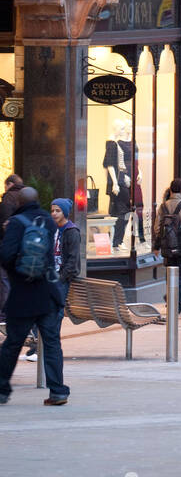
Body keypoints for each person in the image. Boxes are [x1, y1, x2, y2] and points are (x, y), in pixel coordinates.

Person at [0, 187, 70, 406]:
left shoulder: (16, 222)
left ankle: (2, 390)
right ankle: (58, 391)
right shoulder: (48, 221)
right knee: (52, 343)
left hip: (22, 295)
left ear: (19, 202)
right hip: (48, 293)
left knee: (12, 344)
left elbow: (6, 256)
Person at [154, 180, 181, 313]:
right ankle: (175, 305)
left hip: (167, 248)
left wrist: (157, 245)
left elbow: (157, 229)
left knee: (170, 275)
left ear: (171, 190)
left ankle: (173, 303)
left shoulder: (163, 206)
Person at [48, 198, 81, 308]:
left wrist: (61, 278)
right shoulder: (53, 229)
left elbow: (73, 259)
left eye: (58, 211)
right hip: (51, 276)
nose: (54, 213)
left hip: (62, 279)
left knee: (57, 310)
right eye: (52, 211)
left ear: (65, 213)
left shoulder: (72, 231)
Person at [0, 172, 23, 323]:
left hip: (8, 245)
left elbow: (4, 223)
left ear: (10, 184)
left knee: (4, 279)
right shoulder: (26, 197)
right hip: (22, 247)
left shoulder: (8, 198)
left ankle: (4, 313)